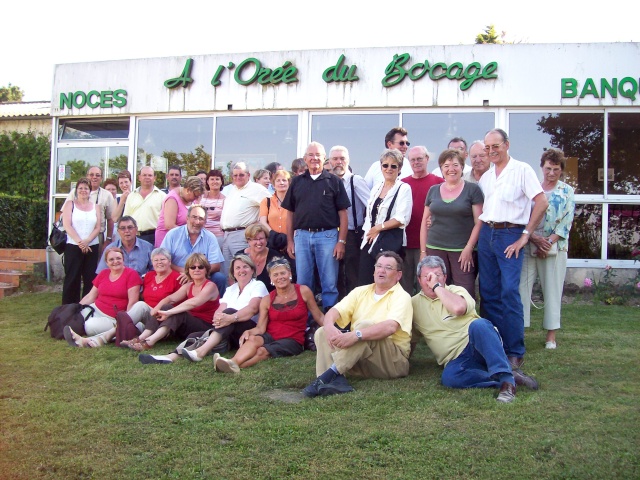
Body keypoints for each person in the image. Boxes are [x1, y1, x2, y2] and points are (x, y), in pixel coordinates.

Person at [412, 256, 538, 403]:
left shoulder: (456, 290)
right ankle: (506, 376)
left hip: (479, 346)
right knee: (449, 378)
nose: (431, 280)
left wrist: (436, 287)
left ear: (445, 277)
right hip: (456, 359)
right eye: (426, 276)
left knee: (480, 325)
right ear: (419, 280)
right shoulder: (413, 304)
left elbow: (458, 308)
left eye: (437, 276)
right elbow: (411, 338)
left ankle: (507, 384)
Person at [477, 128, 549, 377]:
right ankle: (494, 348)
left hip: (511, 235)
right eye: (487, 148)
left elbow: (542, 202)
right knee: (488, 293)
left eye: (495, 146)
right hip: (487, 234)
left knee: (509, 292)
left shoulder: (522, 170)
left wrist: (525, 236)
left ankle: (515, 351)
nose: (490, 151)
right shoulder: (486, 177)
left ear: (507, 144)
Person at [302, 251, 412, 397]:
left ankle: (329, 376)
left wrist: (356, 335)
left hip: (392, 362)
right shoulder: (360, 291)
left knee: (365, 327)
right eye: (379, 266)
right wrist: (329, 326)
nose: (381, 270)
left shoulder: (402, 296)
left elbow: (390, 327)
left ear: (398, 275)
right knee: (322, 332)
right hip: (360, 359)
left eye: (388, 268)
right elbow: (334, 311)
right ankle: (332, 381)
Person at [214, 257, 324, 373]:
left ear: (290, 274)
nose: (280, 277)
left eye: (283, 273)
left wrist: (332, 331)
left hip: (293, 339)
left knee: (262, 351)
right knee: (253, 339)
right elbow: (261, 327)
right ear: (271, 278)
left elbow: (319, 316)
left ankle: (236, 366)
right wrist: (249, 332)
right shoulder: (267, 299)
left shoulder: (303, 291)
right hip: (271, 335)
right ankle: (232, 361)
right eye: (275, 275)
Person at [282, 142, 350, 311]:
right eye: (310, 155)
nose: (314, 158)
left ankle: (329, 320)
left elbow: (343, 214)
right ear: (305, 159)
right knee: (303, 282)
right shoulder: (296, 182)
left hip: (327, 237)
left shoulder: (334, 181)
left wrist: (341, 241)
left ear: (324, 158)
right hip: (302, 237)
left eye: (318, 155)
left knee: (329, 282)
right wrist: (290, 241)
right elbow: (290, 213)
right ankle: (305, 320)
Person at [519, 148, 575, 349]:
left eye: (556, 169)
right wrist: (534, 238)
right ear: (541, 167)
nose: (551, 173)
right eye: (548, 168)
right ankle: (520, 333)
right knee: (522, 290)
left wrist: (548, 242)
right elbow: (523, 216)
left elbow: (566, 221)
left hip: (554, 247)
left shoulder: (567, 191)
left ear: (561, 170)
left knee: (552, 290)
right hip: (529, 244)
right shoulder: (532, 188)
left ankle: (551, 335)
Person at [179, 255, 269, 363]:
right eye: (237, 268)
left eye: (245, 267)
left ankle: (201, 352)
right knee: (194, 335)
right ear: (233, 272)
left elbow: (253, 309)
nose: (241, 270)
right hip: (229, 329)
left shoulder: (258, 285)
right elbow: (220, 309)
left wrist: (231, 318)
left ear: (252, 270)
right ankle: (171, 357)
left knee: (229, 311)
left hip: (249, 329)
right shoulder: (230, 289)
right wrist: (219, 317)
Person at [419, 149, 484, 297]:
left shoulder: (472, 190)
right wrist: (423, 252)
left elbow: (479, 222)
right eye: (446, 166)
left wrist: (469, 248)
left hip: (462, 251)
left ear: (462, 167)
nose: (451, 169)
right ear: (441, 169)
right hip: (434, 249)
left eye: (455, 165)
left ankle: (466, 320)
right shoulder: (433, 190)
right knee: (436, 289)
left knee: (464, 292)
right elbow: (424, 222)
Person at [128, 253, 219, 353]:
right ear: (188, 270)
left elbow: (194, 302)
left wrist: (169, 312)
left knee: (179, 313)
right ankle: (141, 337)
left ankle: (149, 342)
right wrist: (157, 308)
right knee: (166, 306)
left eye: (200, 267)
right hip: (188, 325)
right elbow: (171, 298)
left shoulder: (210, 286)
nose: (196, 270)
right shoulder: (189, 286)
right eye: (192, 267)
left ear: (206, 269)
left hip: (205, 326)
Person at [63, 247, 142, 347]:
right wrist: (76, 308)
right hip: (96, 309)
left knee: (89, 326)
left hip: (113, 316)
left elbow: (132, 302)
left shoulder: (131, 275)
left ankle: (89, 339)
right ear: (106, 262)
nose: (115, 262)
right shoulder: (103, 273)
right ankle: (78, 333)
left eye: (118, 258)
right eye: (111, 259)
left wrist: (126, 322)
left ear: (123, 259)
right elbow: (91, 296)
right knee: (75, 318)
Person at [358, 149, 412, 287]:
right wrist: (370, 232)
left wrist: (378, 228)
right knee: (365, 282)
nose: (389, 169)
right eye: (385, 165)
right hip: (369, 241)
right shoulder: (376, 187)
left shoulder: (404, 188)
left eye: (393, 166)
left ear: (399, 168)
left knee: (386, 283)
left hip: (389, 243)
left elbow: (402, 218)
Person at [401, 145, 444, 294]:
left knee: (426, 284)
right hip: (406, 242)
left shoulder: (439, 182)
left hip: (428, 243)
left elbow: (446, 209)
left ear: (427, 159)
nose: (416, 162)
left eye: (420, 159)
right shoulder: (402, 183)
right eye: (412, 160)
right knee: (404, 285)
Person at [329, 145, 370, 298]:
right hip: (331, 234)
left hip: (353, 234)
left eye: (342, 159)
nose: (338, 162)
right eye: (335, 159)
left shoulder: (355, 180)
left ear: (348, 161)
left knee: (353, 274)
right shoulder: (327, 181)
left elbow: (372, 206)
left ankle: (355, 308)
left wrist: (370, 229)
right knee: (335, 274)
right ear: (330, 161)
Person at [159, 204, 226, 294]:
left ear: (205, 221)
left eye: (201, 219)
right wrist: (187, 273)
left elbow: (216, 265)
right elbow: (163, 260)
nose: (197, 222)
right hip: (178, 273)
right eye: (194, 217)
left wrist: (195, 273)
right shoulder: (173, 234)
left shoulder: (210, 237)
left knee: (220, 278)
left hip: (201, 274)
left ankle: (217, 306)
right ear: (187, 218)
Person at [219, 161, 271, 272]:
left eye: (241, 175)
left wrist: (260, 223)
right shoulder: (232, 190)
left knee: (244, 270)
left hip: (242, 235)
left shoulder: (257, 189)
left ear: (248, 175)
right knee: (230, 273)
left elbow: (272, 207)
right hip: (226, 235)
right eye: (235, 175)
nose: (238, 177)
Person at [61, 178, 102, 304]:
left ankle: (86, 306)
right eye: (81, 188)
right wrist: (80, 242)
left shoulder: (96, 207)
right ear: (76, 190)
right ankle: (69, 307)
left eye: (86, 188)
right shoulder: (70, 204)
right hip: (73, 246)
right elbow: (67, 225)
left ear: (90, 191)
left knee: (90, 278)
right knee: (72, 278)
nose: (83, 191)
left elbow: (98, 227)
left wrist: (87, 241)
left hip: (92, 246)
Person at [63, 165, 116, 253]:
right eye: (91, 175)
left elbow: (110, 219)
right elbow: (64, 215)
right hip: (75, 237)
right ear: (87, 176)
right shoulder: (75, 192)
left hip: (97, 237)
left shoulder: (107, 195)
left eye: (97, 175)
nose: (94, 177)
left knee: (95, 265)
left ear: (101, 178)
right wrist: (80, 242)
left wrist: (108, 239)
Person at [123, 166, 166, 245]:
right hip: (134, 237)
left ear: (154, 178)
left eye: (150, 175)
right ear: (139, 177)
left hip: (154, 237)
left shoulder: (162, 196)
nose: (147, 177)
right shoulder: (131, 196)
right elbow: (126, 218)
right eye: (144, 175)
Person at [155, 176, 203, 247]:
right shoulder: (172, 199)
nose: (196, 198)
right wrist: (191, 233)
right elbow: (169, 225)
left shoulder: (193, 199)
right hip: (168, 241)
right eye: (195, 196)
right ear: (188, 190)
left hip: (183, 241)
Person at [236, 224, 279, 291]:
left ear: (266, 239)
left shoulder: (275, 257)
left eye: (261, 238)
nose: (259, 242)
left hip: (269, 297)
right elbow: (233, 280)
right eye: (255, 239)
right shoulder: (239, 256)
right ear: (248, 240)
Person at [200, 169, 226, 257]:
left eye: (217, 179)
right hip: (201, 235)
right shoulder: (200, 197)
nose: (214, 181)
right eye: (212, 179)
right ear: (207, 181)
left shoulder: (225, 199)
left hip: (218, 237)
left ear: (221, 182)